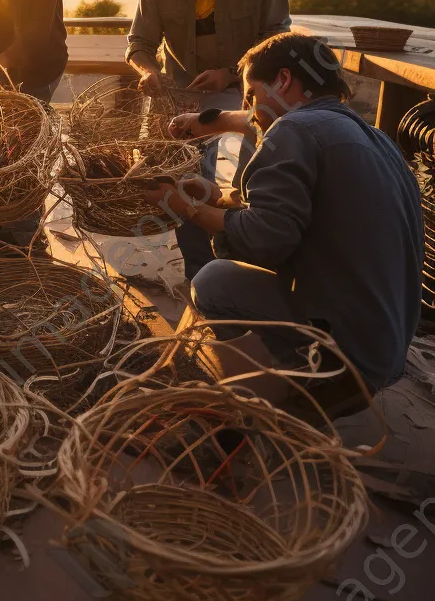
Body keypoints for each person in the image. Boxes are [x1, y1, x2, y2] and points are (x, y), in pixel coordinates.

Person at [147, 31, 422, 394]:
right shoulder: (369, 135)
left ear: (284, 80)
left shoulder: (294, 128)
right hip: (386, 349)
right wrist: (218, 196)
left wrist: (188, 209)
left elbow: (265, 238)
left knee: (214, 280)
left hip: (349, 358)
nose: (252, 113)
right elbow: (293, 213)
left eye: (252, 95)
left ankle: (285, 392)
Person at [126, 0, 292, 278]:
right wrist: (148, 70)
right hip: (181, 89)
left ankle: (245, 262)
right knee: (183, 176)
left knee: (254, 172)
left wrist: (230, 74)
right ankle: (200, 271)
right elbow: (139, 45)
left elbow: (277, 38)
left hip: (247, 87)